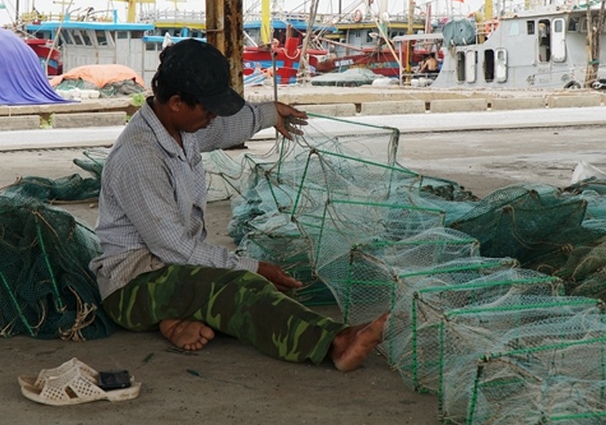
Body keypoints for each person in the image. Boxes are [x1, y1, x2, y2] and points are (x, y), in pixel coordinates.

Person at [90, 38, 387, 371]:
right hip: (132, 287)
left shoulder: (180, 127)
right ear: (176, 102)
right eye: (207, 109)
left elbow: (221, 129)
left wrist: (270, 113)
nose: (213, 117)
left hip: (167, 271)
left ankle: (173, 320)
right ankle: (335, 343)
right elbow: (176, 249)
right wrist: (253, 267)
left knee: (248, 288)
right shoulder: (140, 157)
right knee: (242, 286)